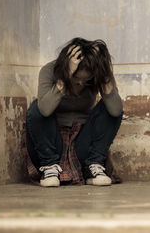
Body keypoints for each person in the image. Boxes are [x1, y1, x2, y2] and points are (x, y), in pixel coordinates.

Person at [25, 37, 123, 187]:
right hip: (52, 143)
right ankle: (50, 168)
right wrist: (64, 78)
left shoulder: (97, 74)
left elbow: (116, 111)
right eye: (77, 79)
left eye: (87, 80)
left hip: (81, 145)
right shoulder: (49, 70)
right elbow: (44, 110)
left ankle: (93, 167)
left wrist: (103, 76)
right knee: (36, 107)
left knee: (109, 106)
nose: (81, 84)